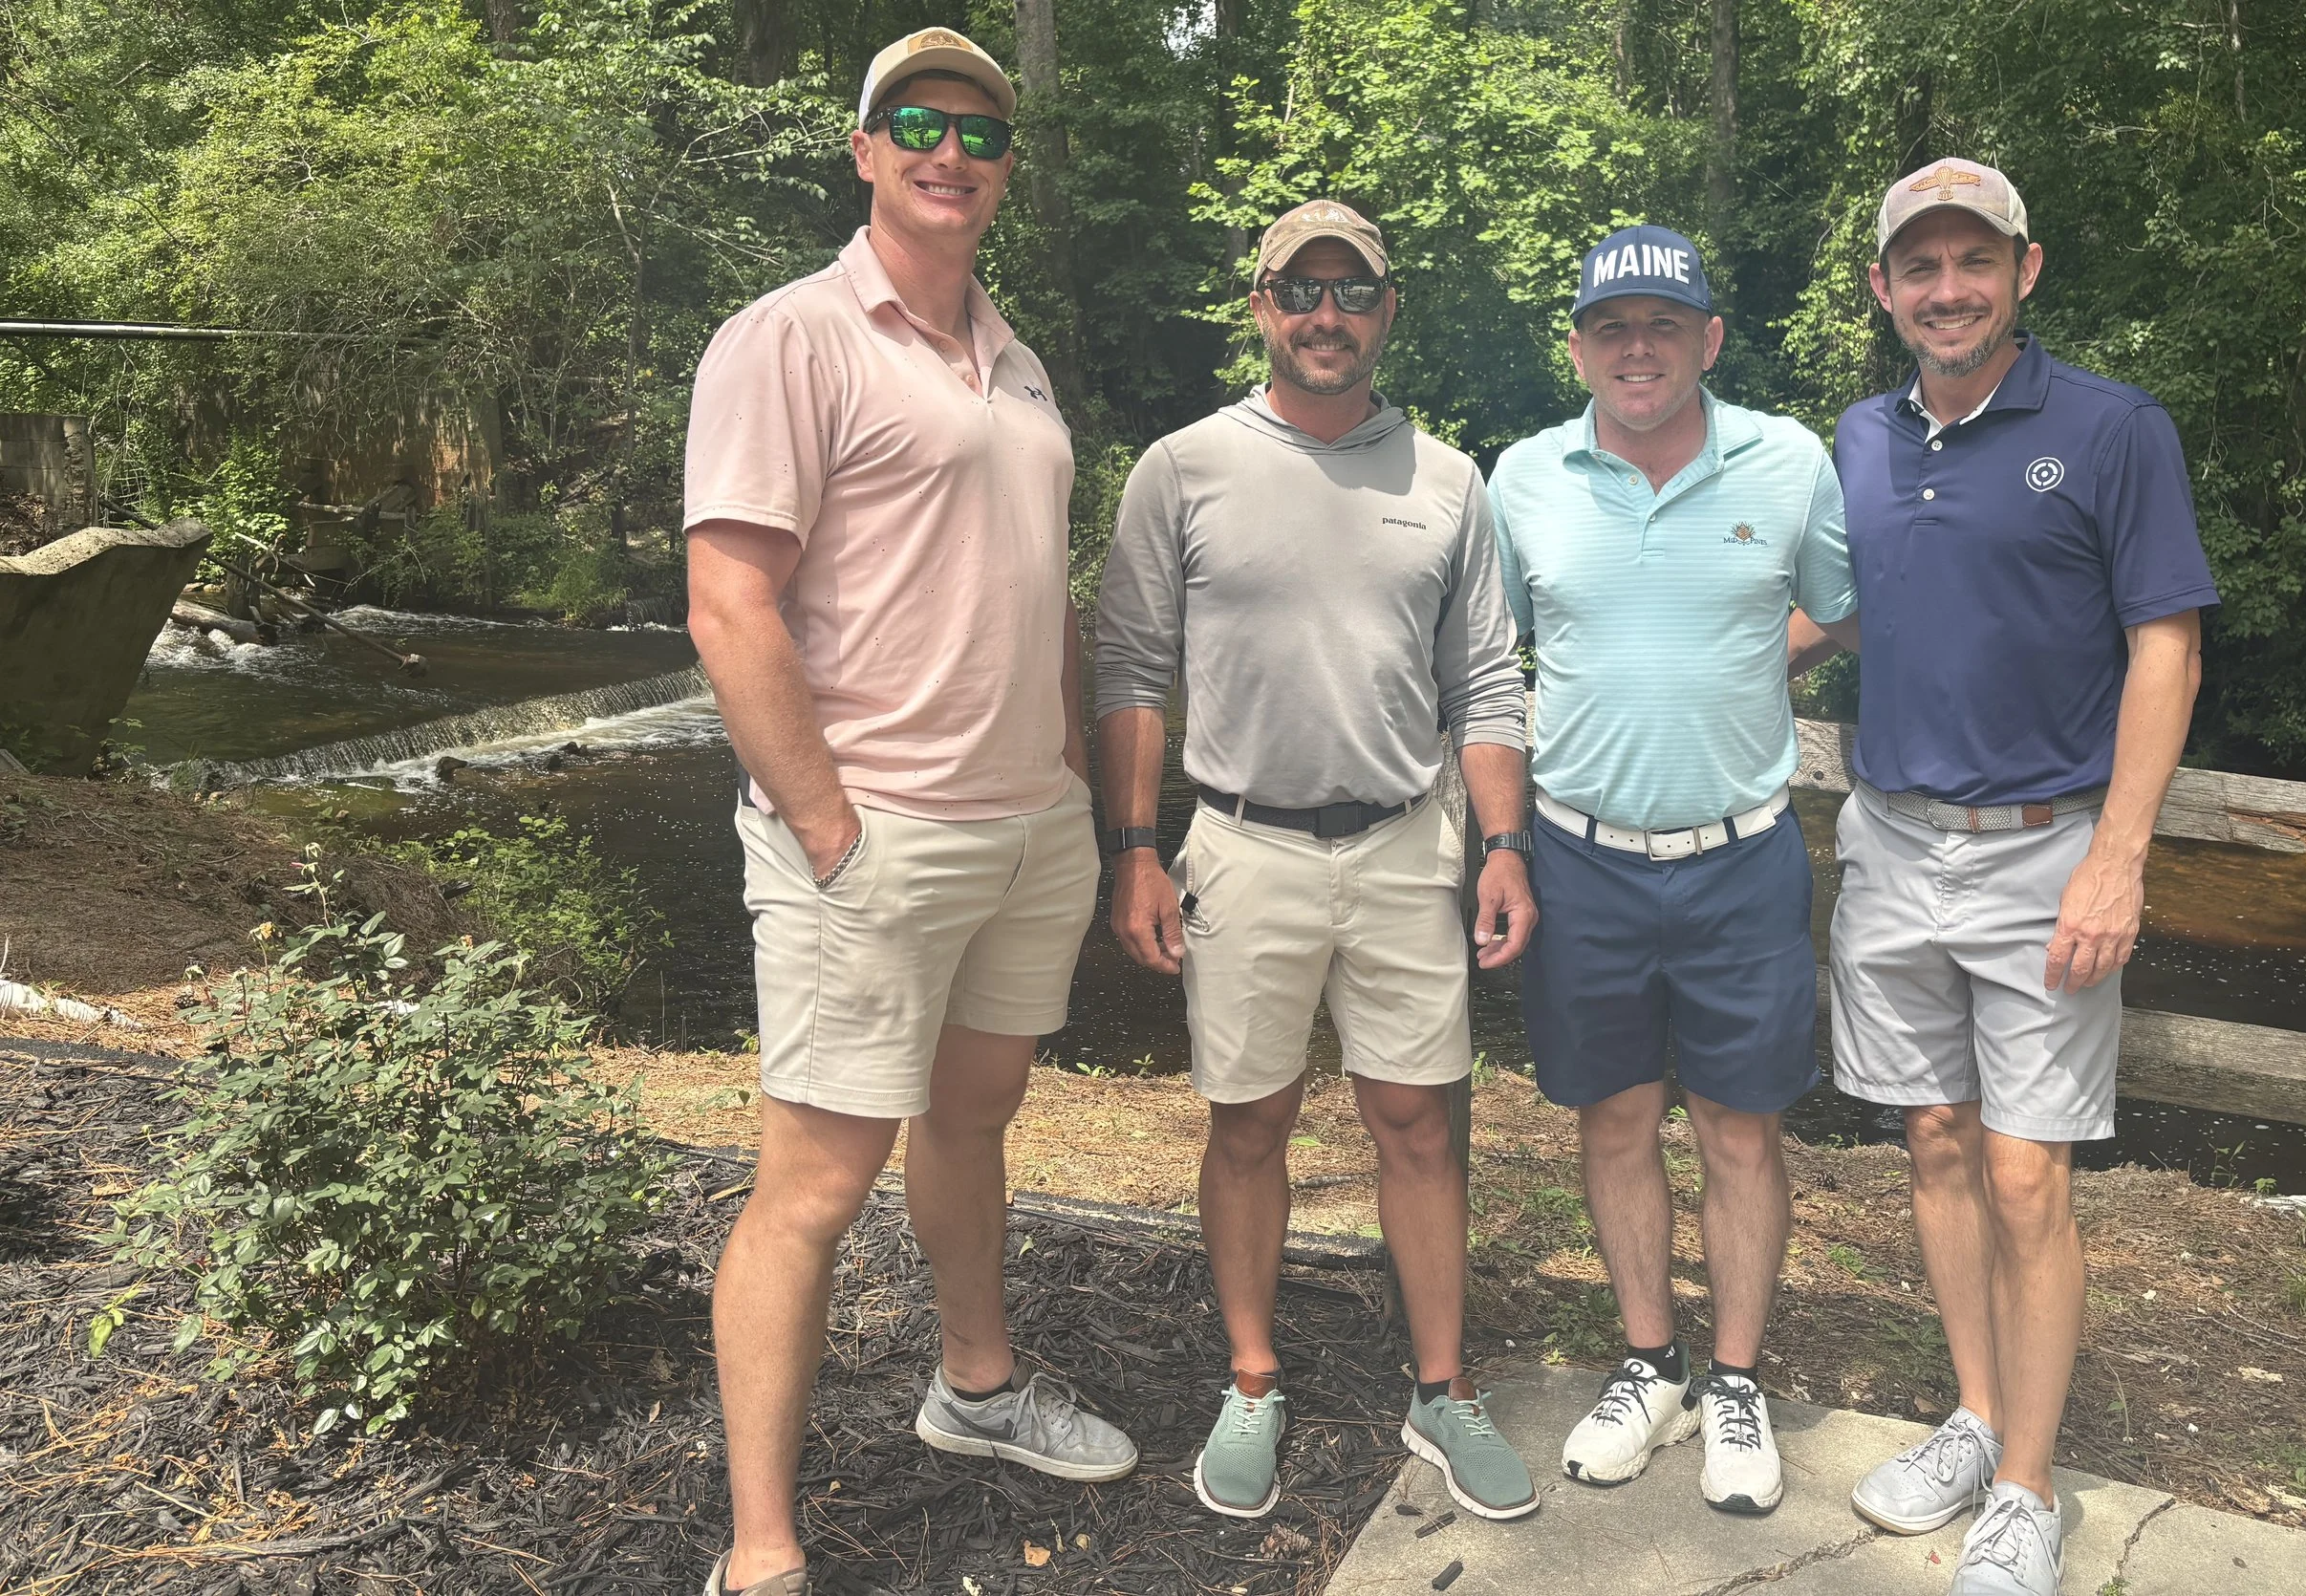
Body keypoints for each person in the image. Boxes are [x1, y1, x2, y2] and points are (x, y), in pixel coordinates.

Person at [680, 28, 1136, 1596]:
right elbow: (730, 599)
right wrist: (823, 826)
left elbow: (1037, 587)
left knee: (973, 1116)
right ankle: (761, 1548)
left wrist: (1072, 767)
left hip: (1026, 829)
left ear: (1005, 171)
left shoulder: (1014, 359)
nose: (952, 150)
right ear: (865, 148)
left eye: (982, 132)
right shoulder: (789, 338)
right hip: (872, 831)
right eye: (918, 123)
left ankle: (978, 1382)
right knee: (812, 1180)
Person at [1095, 200, 1541, 1523]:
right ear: (1263, 306)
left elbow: (1489, 682)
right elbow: (1127, 668)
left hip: (1411, 846)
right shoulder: (1181, 468)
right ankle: (1250, 1376)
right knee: (1250, 1120)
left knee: (1417, 1119)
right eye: (1302, 288)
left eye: (1354, 291)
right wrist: (1132, 847)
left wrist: (1503, 845)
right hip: (1240, 843)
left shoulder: (1450, 482)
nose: (1327, 314)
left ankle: (1443, 1388)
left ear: (1388, 311)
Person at [1802, 159, 2212, 1596]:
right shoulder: (1856, 438)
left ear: (2023, 271)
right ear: (1883, 290)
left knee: (2030, 1176)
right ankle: (1975, 1417)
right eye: (1920, 267)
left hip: (2049, 851)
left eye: (1973, 260)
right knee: (1932, 1139)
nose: (1947, 288)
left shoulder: (2111, 430)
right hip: (1892, 841)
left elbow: (2167, 640)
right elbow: (1837, 610)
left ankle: (2029, 1491)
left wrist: (2120, 855)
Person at [1490, 225, 1859, 1518]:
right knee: (1614, 1118)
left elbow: (1842, 602)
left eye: (1662, 324)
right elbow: (1500, 655)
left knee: (1741, 1127)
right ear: (1579, 347)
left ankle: (1739, 1379)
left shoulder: (1792, 461)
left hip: (1741, 856)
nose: (1635, 348)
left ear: (1707, 338)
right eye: (1610, 327)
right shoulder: (1525, 476)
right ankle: (1650, 1358)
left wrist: (1760, 659)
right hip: (1580, 857)